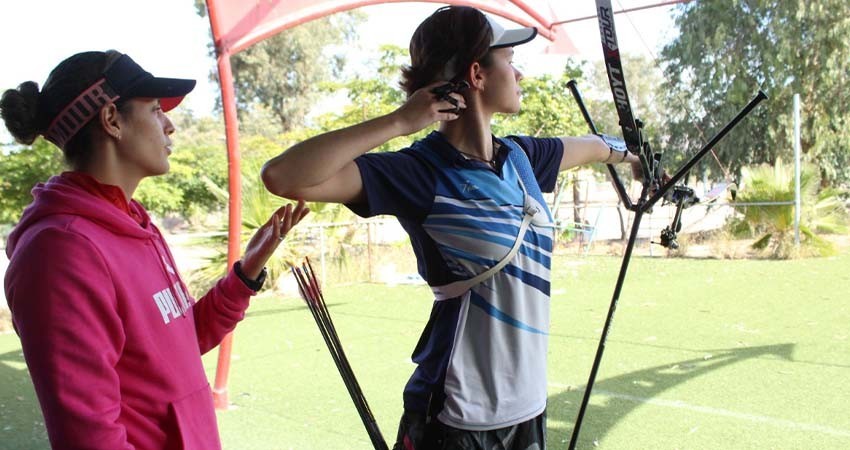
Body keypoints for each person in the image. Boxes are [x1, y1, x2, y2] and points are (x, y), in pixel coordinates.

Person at [262, 6, 639, 449]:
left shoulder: (521, 158)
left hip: (527, 408)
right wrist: (400, 122)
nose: (519, 74)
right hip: (455, 418)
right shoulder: (420, 173)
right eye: (510, 62)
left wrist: (635, 156)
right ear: (477, 74)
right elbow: (282, 176)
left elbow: (595, 147)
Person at [1, 50, 309, 449]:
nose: (170, 125)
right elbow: (90, 438)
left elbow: (183, 343)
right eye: (155, 109)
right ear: (112, 120)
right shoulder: (60, 252)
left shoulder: (133, 222)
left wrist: (247, 272)